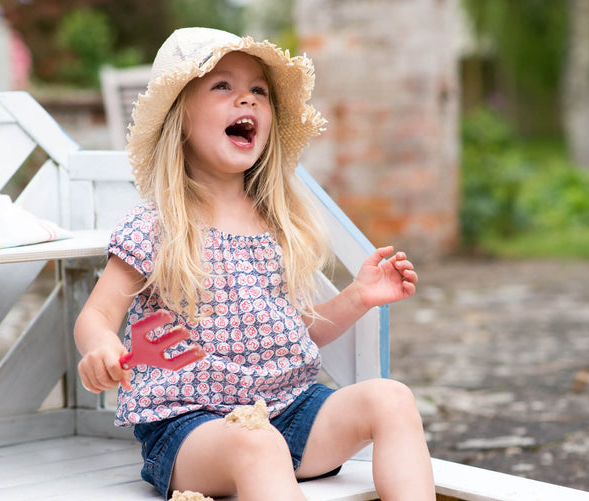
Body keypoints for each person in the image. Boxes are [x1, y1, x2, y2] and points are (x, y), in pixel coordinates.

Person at [74, 27, 434, 501]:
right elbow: (97, 315)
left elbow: (290, 333)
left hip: (290, 411)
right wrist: (99, 347)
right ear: (180, 117)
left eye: (258, 91)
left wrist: (358, 297)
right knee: (256, 444)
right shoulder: (156, 227)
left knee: (393, 398)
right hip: (192, 428)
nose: (246, 99)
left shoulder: (276, 225)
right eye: (222, 86)